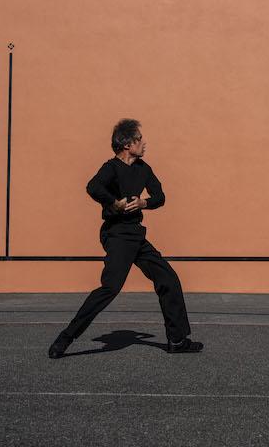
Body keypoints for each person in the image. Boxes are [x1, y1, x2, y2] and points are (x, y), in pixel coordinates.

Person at [48, 118, 203, 358]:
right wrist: (114, 203)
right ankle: (66, 337)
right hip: (117, 234)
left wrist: (144, 203)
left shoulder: (143, 169)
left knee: (168, 279)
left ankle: (177, 340)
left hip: (135, 234)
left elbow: (160, 196)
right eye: (139, 139)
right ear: (127, 144)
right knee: (110, 288)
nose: (144, 143)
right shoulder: (110, 168)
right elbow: (93, 187)